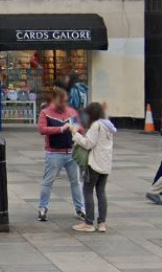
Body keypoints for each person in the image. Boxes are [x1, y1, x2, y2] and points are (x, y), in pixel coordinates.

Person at [36, 86, 85, 222]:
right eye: (61, 102)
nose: (64, 104)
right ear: (55, 100)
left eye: (65, 101)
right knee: (48, 181)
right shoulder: (45, 113)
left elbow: (80, 128)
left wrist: (76, 128)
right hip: (53, 153)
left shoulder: (71, 112)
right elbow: (42, 129)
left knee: (75, 182)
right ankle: (43, 208)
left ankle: (80, 209)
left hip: (71, 152)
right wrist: (61, 129)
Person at [72, 102, 115, 233]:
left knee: (88, 190)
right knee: (101, 192)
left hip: (94, 164)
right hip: (105, 164)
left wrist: (75, 134)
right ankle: (102, 223)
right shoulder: (108, 125)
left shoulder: (96, 125)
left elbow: (88, 144)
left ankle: (89, 223)